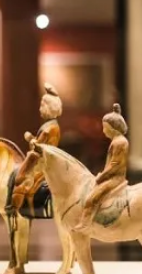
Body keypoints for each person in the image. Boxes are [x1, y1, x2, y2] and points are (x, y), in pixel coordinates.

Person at [73, 103, 129, 232]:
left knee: (91, 198)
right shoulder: (117, 141)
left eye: (105, 128)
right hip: (111, 175)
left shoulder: (119, 142)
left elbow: (115, 165)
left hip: (115, 177)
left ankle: (85, 223)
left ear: (113, 128)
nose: (103, 131)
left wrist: (102, 176)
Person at [11, 83, 62, 212]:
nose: (39, 109)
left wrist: (31, 139)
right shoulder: (52, 126)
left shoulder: (48, 129)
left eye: (41, 106)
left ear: (48, 108)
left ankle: (16, 210)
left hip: (41, 162)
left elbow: (39, 148)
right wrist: (33, 139)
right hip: (43, 159)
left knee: (20, 183)